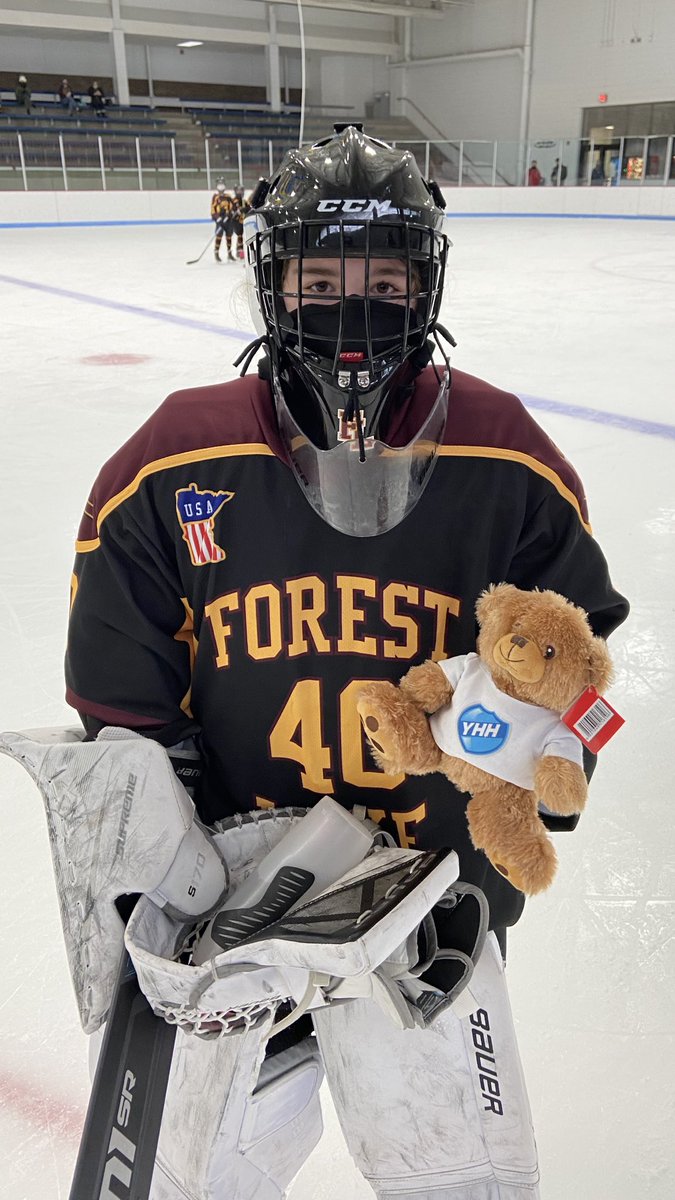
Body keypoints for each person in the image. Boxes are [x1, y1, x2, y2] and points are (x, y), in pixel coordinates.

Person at [65, 125, 628, 1198]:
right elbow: (120, 691)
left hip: (428, 906)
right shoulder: (169, 464)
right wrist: (174, 877)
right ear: (272, 285)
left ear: (428, 281)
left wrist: (540, 782)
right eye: (319, 280)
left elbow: (578, 677)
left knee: (468, 1183)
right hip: (237, 905)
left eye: (384, 278)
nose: (353, 312)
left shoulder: (510, 465)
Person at [210, 176, 232, 262]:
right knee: (219, 235)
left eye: (222, 184)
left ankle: (229, 253)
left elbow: (231, 207)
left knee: (229, 236)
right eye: (219, 184)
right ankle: (216, 253)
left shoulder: (228, 196)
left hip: (227, 220)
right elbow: (213, 208)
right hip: (220, 220)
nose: (221, 186)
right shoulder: (215, 197)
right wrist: (217, 218)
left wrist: (228, 216)